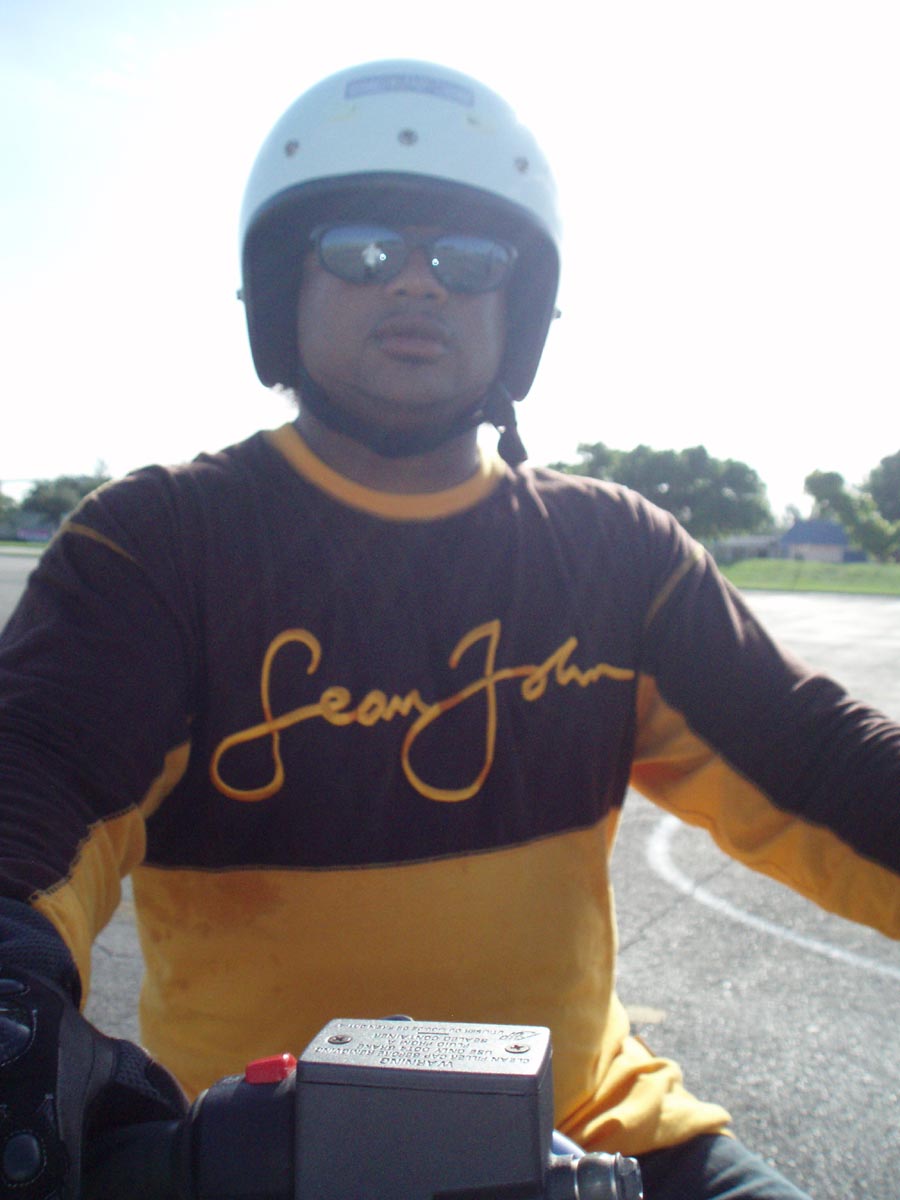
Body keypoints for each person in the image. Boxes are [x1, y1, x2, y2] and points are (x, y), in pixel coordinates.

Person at [0, 58, 897, 1200]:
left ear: (519, 310)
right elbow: (34, 794)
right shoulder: (156, 547)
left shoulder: (619, 553)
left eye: (471, 259)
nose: (420, 282)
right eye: (364, 250)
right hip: (253, 1156)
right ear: (281, 285)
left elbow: (814, 761)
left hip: (606, 1132)